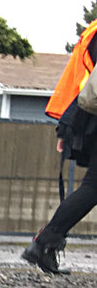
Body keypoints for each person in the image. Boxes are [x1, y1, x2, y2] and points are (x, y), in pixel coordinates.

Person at [22, 18, 97, 274]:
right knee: (93, 187)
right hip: (88, 114)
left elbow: (81, 81)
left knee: (93, 187)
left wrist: (66, 125)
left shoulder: (92, 32)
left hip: (87, 116)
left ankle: (44, 244)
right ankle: (44, 243)